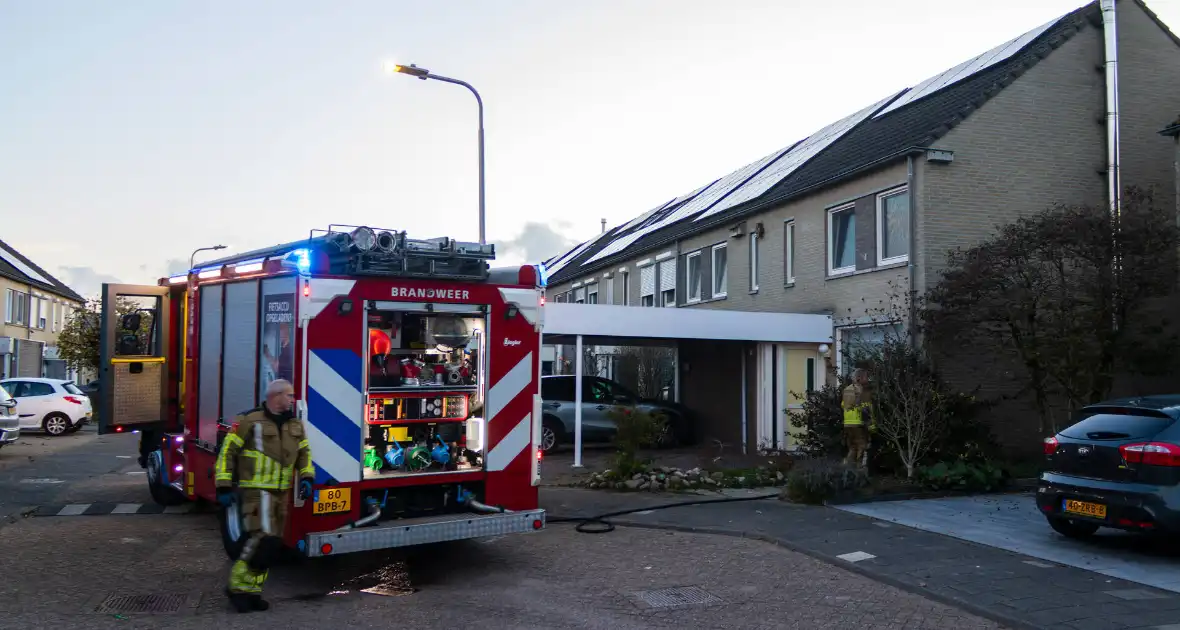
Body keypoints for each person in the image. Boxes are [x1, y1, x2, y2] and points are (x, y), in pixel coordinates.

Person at [213, 379, 314, 613]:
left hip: (281, 493)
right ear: (275, 396)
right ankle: (237, 588)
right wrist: (224, 485)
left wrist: (307, 478)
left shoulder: (295, 424)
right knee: (262, 538)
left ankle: (253, 592)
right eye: (289, 395)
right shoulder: (249, 421)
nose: (292, 400)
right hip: (257, 491)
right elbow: (228, 452)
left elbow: (304, 454)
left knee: (272, 545)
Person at [841, 368, 873, 468]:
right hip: (858, 422)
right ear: (859, 378)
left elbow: (843, 405)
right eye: (866, 377)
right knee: (862, 445)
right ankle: (859, 468)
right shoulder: (860, 389)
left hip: (848, 423)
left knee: (853, 447)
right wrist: (870, 423)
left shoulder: (847, 389)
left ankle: (846, 468)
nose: (868, 380)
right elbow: (864, 407)